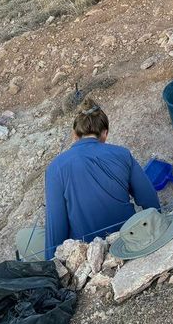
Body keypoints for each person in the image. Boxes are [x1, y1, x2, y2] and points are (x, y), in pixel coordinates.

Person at [43, 100, 159, 260]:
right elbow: (148, 198)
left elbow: (56, 225)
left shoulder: (55, 167)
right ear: (105, 133)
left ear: (75, 135)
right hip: (129, 239)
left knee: (26, 236)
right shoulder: (123, 154)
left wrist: (51, 264)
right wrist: (159, 224)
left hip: (87, 252)